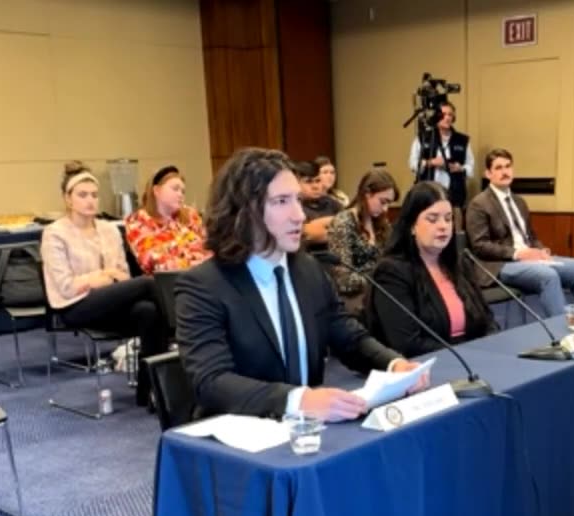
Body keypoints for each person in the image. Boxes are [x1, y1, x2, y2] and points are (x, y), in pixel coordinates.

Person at [173, 147, 429, 421]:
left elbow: (348, 336)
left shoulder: (307, 270)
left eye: (297, 199)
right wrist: (297, 401)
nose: (300, 215)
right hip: (242, 438)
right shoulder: (203, 286)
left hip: (308, 432)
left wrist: (393, 364)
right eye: (282, 201)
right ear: (243, 212)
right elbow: (212, 382)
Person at [41, 162, 167, 408]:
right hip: (74, 306)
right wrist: (102, 276)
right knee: (148, 284)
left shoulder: (109, 229)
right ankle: (184, 330)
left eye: (95, 195)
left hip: (108, 302)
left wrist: (103, 279)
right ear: (68, 200)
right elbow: (66, 287)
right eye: (83, 195)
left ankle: (150, 392)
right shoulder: (54, 233)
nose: (91, 201)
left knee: (150, 312)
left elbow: (122, 276)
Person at [465, 148, 574, 317]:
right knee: (547, 275)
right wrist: (518, 254)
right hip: (499, 265)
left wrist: (541, 250)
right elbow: (480, 246)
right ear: (488, 173)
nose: (505, 172)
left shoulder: (519, 202)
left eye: (508, 166)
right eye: (499, 168)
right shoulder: (478, 204)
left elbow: (530, 236)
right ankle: (563, 332)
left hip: (531, 259)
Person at [368, 182, 495, 357]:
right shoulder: (392, 272)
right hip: (426, 369)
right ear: (412, 225)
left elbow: (488, 322)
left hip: (473, 361)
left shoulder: (460, 263)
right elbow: (407, 343)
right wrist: (466, 354)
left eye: (448, 218)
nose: (443, 226)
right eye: (432, 219)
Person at [324, 168, 399, 315]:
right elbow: (343, 280)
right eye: (383, 202)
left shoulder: (382, 224)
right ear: (367, 194)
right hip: (355, 301)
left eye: (389, 204)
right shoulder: (343, 222)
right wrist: (378, 278)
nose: (385, 209)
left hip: (380, 293)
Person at [124, 165, 211, 273]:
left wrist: (205, 261)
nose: (180, 195)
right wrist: (193, 263)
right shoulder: (138, 221)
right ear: (156, 191)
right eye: (175, 189)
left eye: (183, 191)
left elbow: (210, 246)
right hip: (168, 282)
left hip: (202, 275)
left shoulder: (190, 215)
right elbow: (153, 261)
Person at [408, 101, 474, 212]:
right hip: (429, 192)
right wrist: (430, 162)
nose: (447, 118)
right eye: (443, 115)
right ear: (436, 117)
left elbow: (471, 168)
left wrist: (460, 168)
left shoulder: (462, 140)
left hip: (454, 193)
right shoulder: (423, 137)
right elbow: (413, 164)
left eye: (450, 115)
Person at [295, 160, 344, 247]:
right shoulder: (295, 208)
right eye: (308, 182)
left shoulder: (332, 203)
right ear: (296, 183)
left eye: (317, 181)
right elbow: (311, 234)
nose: (315, 186)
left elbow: (350, 227)